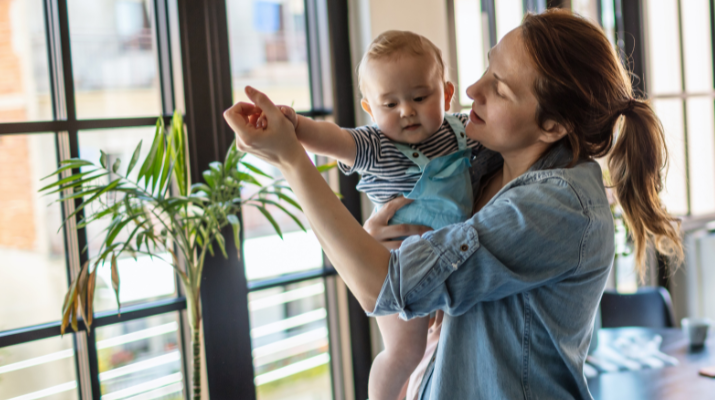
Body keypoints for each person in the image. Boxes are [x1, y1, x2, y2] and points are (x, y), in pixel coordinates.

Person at [225, 9, 683, 400]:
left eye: (500, 89)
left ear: (552, 127)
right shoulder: (479, 160)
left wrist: (291, 158)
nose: (470, 91)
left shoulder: (557, 206)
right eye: (488, 68)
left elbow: (386, 288)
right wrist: (374, 240)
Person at [259, 30, 478, 400]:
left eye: (420, 97)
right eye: (389, 104)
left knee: (437, 350)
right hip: (393, 265)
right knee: (404, 351)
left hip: (447, 262)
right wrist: (295, 125)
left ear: (447, 92)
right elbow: (333, 138)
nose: (406, 110)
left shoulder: (463, 131)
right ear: (370, 110)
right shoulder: (376, 145)